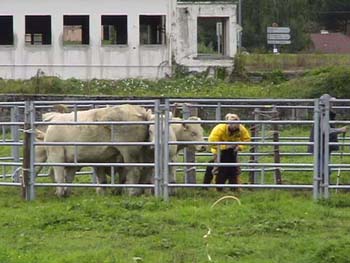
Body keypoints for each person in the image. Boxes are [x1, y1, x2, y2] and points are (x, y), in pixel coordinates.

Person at [203, 113, 251, 191]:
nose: (235, 130)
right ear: (228, 124)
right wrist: (225, 146)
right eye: (232, 128)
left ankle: (232, 187)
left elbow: (247, 139)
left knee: (232, 168)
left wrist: (240, 147)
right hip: (218, 150)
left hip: (233, 150)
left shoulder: (241, 129)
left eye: (236, 128)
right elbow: (212, 142)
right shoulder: (219, 128)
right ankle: (207, 185)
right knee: (215, 166)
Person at [308, 94, 347, 181]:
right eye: (331, 102)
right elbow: (326, 130)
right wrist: (340, 130)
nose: (332, 105)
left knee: (323, 165)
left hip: (322, 144)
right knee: (322, 167)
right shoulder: (324, 114)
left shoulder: (322, 113)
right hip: (321, 145)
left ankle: (322, 187)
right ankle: (322, 187)